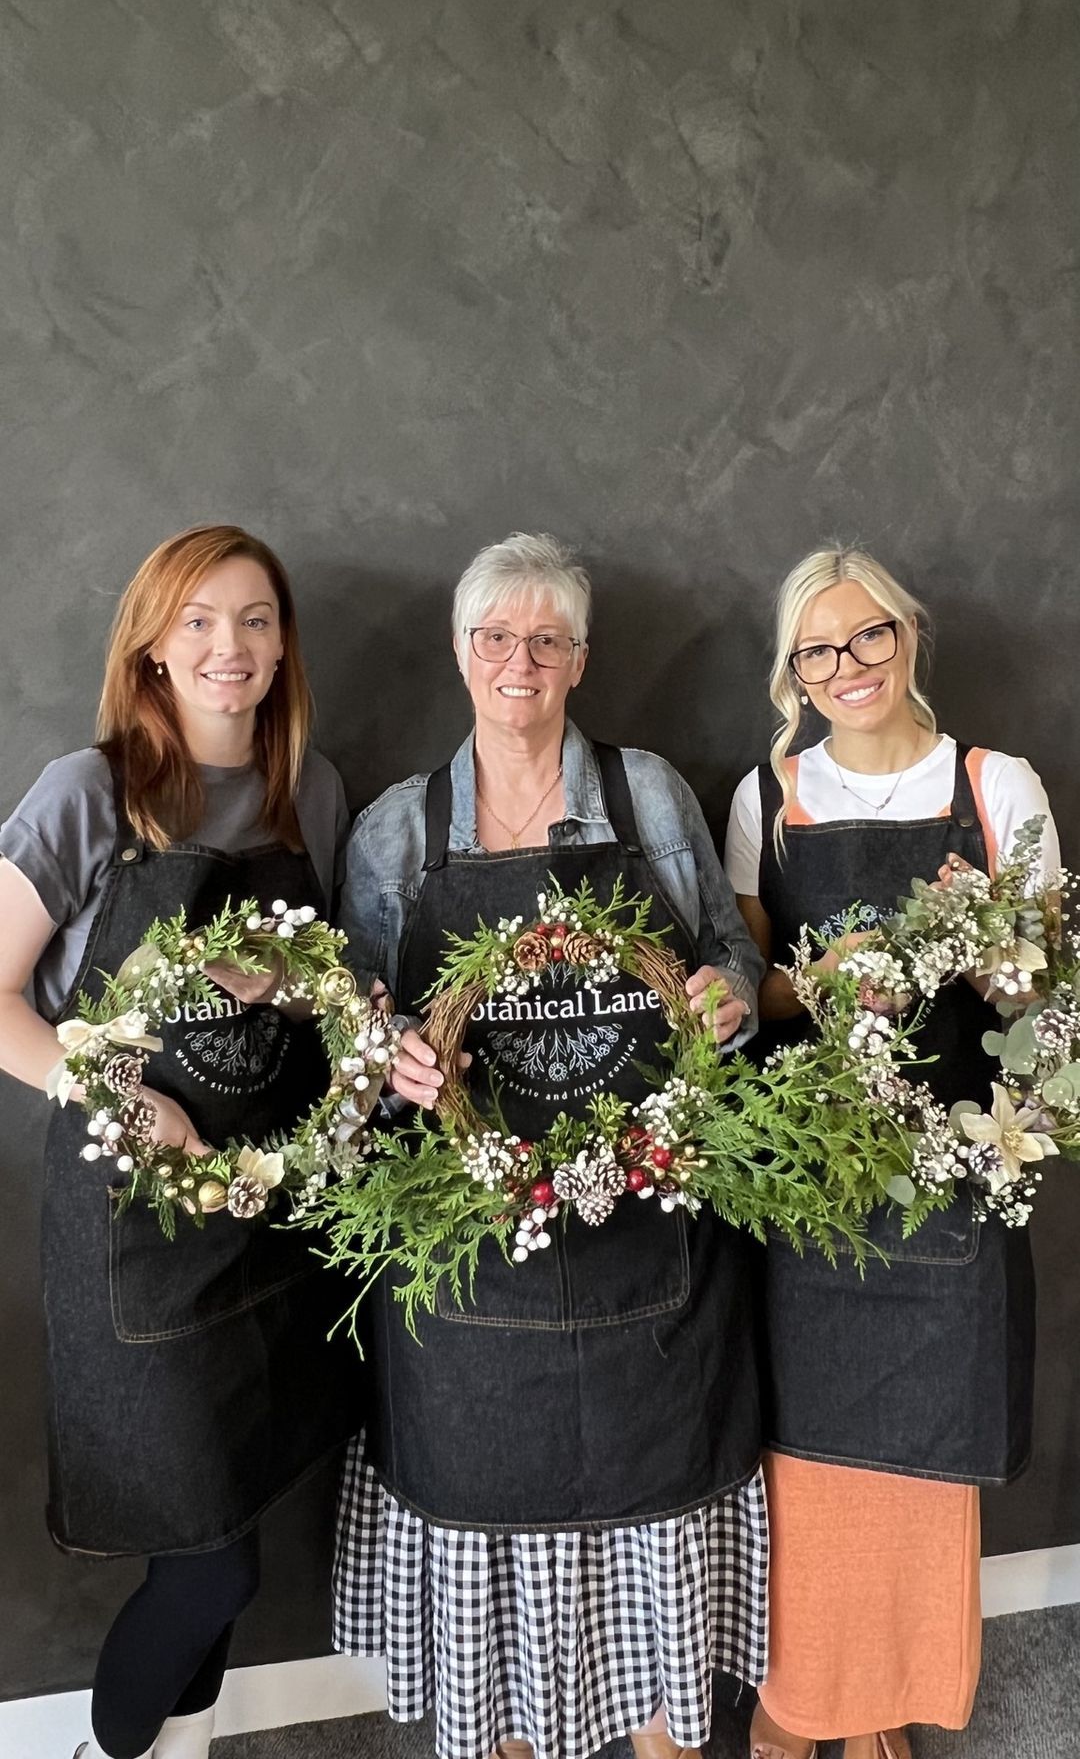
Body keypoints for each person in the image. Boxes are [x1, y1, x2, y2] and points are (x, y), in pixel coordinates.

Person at [335, 531, 767, 1759]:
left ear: (579, 659)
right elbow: (350, 1020)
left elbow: (727, 957)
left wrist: (725, 1001)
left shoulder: (648, 796)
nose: (517, 661)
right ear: (460, 652)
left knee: (656, 1534)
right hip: (477, 1275)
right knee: (495, 1554)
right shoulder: (393, 833)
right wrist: (393, 1060)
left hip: (651, 1252)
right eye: (494, 637)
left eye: (546, 639)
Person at [0, 525, 355, 1759]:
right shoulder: (85, 792)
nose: (229, 646)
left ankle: (179, 1749)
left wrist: (285, 988)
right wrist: (121, 1098)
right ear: (152, 645)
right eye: (199, 620)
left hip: (256, 1213)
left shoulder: (311, 792)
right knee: (206, 1566)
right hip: (129, 1233)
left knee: (232, 1521)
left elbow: (332, 990)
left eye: (255, 619)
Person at [724, 546, 1059, 1759]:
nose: (846, 667)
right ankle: (802, 1706)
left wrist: (986, 952)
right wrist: (814, 982)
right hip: (813, 1178)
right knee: (807, 1468)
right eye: (817, 650)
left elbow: (1044, 991)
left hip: (956, 1174)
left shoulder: (996, 786)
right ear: (793, 674)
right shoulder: (769, 796)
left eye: (867, 637)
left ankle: (877, 1707)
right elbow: (742, 992)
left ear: (909, 636)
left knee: (922, 1465)